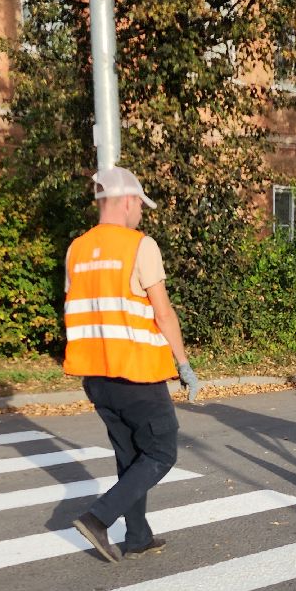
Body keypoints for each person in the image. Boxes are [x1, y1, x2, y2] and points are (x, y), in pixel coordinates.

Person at [64, 165, 201, 564]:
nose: (141, 211)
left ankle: (138, 536)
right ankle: (98, 517)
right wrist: (184, 365)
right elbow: (164, 313)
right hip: (137, 373)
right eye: (139, 203)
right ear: (126, 201)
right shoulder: (140, 246)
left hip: (96, 375)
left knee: (130, 455)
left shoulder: (77, 249)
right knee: (161, 452)